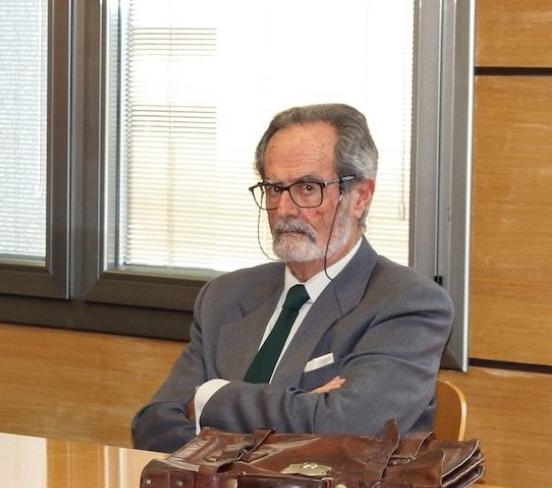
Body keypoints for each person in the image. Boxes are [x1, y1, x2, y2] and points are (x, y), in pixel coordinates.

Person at [132, 103, 454, 453]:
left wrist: (209, 398)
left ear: (360, 196)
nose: (284, 209)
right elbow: (153, 424)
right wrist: (302, 410)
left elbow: (345, 430)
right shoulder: (224, 297)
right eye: (274, 189)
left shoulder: (408, 302)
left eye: (308, 188)